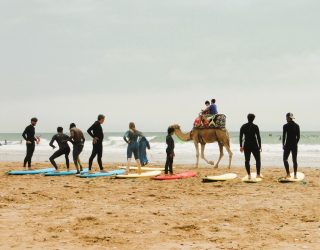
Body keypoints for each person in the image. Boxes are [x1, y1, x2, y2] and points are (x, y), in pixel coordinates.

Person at [240, 114, 262, 180]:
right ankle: (258, 174)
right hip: (254, 145)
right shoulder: (255, 126)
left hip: (246, 145)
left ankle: (249, 175)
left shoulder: (243, 126)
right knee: (258, 160)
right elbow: (258, 137)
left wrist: (241, 146)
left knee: (247, 160)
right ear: (253, 119)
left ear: (247, 118)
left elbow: (240, 137)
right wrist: (260, 146)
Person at [282, 113, 300, 179]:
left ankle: (288, 174)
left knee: (285, 159)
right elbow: (298, 137)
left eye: (286, 117)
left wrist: (283, 144)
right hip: (294, 145)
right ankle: (295, 175)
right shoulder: (297, 126)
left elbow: (284, 136)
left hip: (287, 145)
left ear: (288, 118)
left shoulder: (285, 126)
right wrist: (295, 143)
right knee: (294, 160)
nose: (286, 119)